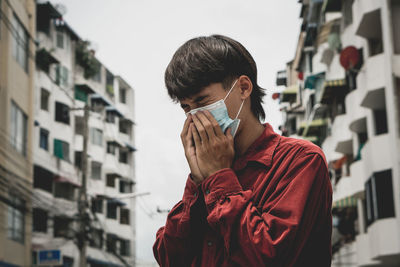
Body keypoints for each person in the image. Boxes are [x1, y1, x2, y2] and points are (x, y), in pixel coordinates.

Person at [153, 34, 332, 267]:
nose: (195, 117)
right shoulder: (204, 172)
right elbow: (169, 258)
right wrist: (197, 184)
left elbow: (268, 257)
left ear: (244, 88)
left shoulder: (301, 160)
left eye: (202, 101)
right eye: (186, 107)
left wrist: (219, 178)